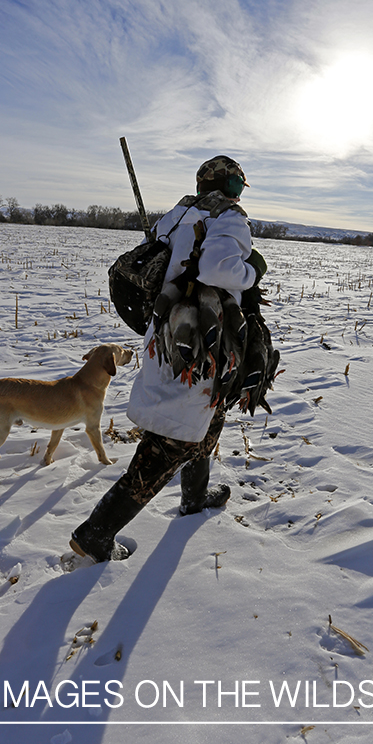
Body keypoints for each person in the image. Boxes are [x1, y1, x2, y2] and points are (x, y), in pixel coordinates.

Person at [70, 156, 266, 562]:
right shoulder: (228, 218)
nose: (239, 191)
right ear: (231, 185)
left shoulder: (177, 215)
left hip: (168, 333)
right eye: (238, 184)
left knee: (209, 416)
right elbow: (216, 268)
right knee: (171, 442)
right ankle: (95, 534)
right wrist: (251, 272)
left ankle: (195, 498)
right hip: (196, 342)